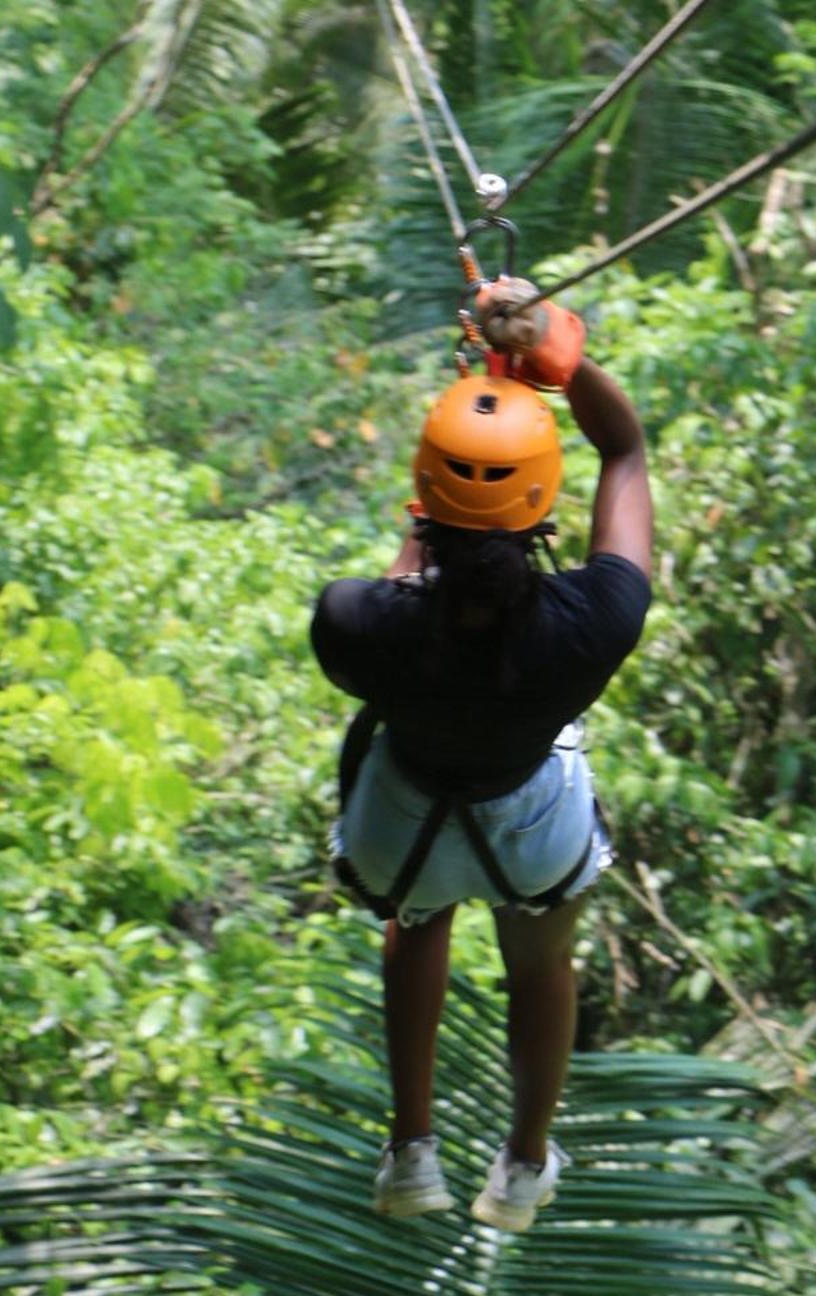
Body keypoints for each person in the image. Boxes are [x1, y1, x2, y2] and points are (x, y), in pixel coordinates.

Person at [310, 279, 652, 1232]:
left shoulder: (352, 623)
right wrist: (557, 356)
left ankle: (410, 1149)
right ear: (543, 497)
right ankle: (523, 1165)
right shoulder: (595, 623)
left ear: (424, 491)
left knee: (416, 919)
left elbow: (405, 590)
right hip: (530, 823)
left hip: (402, 822)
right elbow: (623, 450)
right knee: (542, 959)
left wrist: (436, 507)